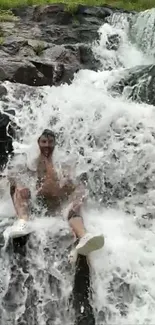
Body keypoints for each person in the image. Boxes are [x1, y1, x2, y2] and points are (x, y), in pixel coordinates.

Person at [3, 129, 104, 260]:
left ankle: (83, 236)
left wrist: (77, 194)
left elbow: (75, 181)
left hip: (57, 207)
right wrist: (21, 185)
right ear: (38, 142)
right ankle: (22, 221)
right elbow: (12, 174)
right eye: (43, 141)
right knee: (16, 187)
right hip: (35, 205)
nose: (47, 145)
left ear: (55, 143)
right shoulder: (30, 160)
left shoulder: (61, 163)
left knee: (77, 196)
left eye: (50, 142)